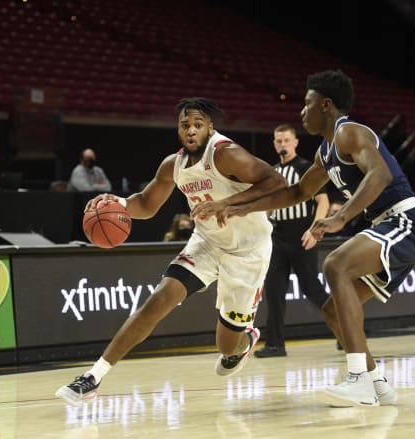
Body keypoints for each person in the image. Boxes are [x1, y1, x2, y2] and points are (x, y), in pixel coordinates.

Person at [197, 70, 415, 407]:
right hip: (388, 225)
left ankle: (356, 380)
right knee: (333, 310)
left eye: (306, 105)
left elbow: (380, 174)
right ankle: (377, 383)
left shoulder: (349, 132)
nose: (301, 112)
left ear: (325, 105)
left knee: (336, 264)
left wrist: (340, 216)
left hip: (405, 219)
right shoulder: (327, 151)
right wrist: (240, 206)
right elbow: (297, 191)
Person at [55, 97, 287, 406]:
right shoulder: (174, 165)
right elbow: (148, 204)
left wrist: (227, 204)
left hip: (248, 251)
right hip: (206, 242)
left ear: (210, 128)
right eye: (185, 125)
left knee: (226, 345)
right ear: (178, 129)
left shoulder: (226, 154)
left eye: (198, 125)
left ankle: (246, 341)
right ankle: (93, 377)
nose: (191, 130)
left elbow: (277, 182)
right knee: (157, 301)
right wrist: (117, 204)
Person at [254, 124, 330, 358]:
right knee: (274, 292)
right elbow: (268, 209)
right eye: (278, 141)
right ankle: (275, 345)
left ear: (296, 142)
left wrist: (315, 230)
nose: (282, 144)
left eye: (286, 140)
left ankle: (345, 332)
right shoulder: (274, 173)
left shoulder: (306, 168)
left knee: (313, 290)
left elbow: (323, 201)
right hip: (278, 237)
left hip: (301, 236)